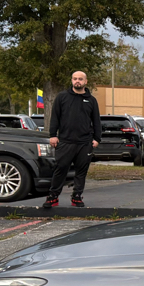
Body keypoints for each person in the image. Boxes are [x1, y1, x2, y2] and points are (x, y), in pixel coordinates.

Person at [43, 70, 101, 208]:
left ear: (85, 81)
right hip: (65, 141)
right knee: (60, 168)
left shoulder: (91, 100)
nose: (77, 81)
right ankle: (53, 197)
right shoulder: (62, 97)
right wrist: (53, 135)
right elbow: (55, 117)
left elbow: (96, 121)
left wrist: (97, 138)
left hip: (84, 143)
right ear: (71, 80)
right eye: (75, 78)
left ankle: (77, 197)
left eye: (80, 79)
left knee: (81, 171)